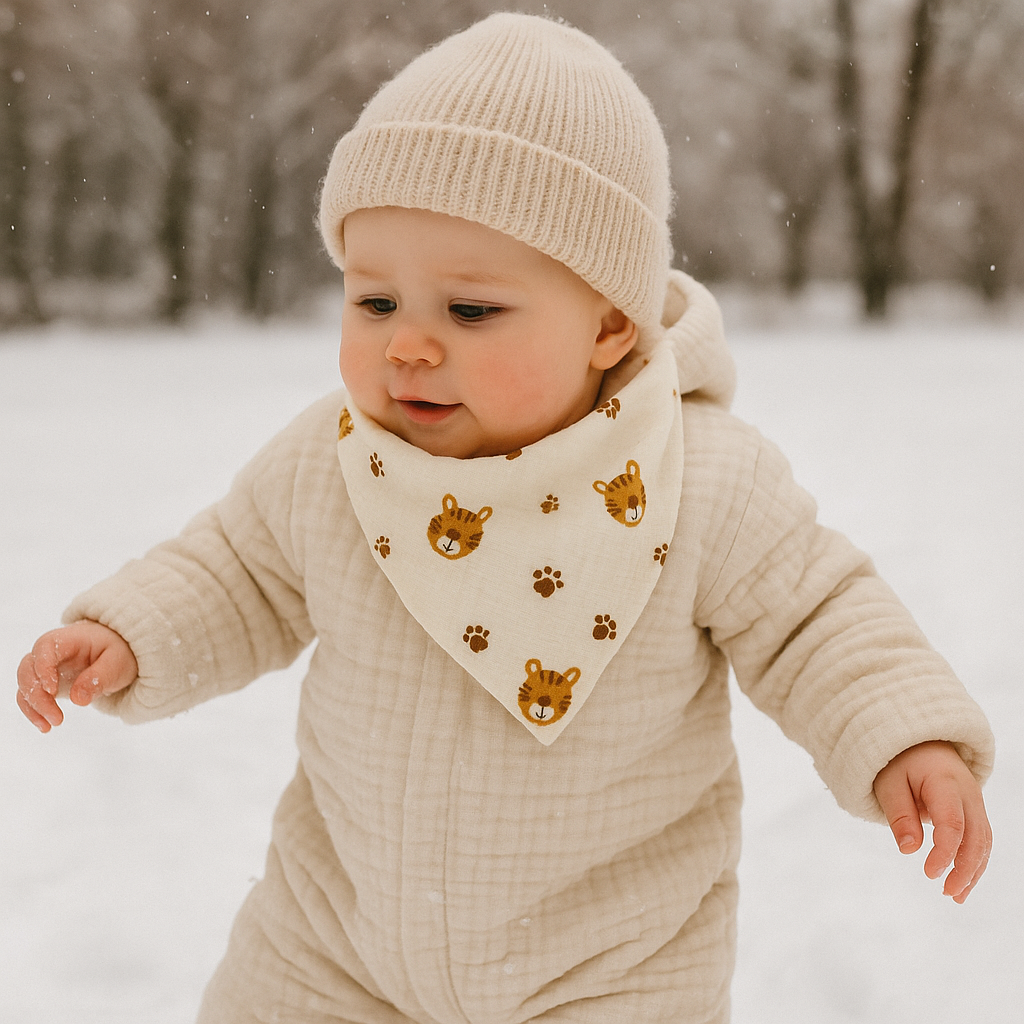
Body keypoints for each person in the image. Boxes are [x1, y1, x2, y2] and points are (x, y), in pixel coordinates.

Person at [16, 13, 993, 1024]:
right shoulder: (338, 461)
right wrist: (132, 633)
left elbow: (814, 616)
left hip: (610, 965)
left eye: (470, 311)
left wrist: (902, 736)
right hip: (337, 941)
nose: (407, 347)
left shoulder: (697, 478)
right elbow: (237, 569)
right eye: (375, 303)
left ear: (608, 323)